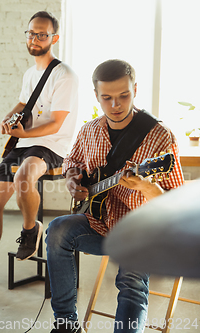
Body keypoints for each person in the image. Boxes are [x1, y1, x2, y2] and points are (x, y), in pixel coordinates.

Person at [46, 59, 184, 333]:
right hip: (99, 225)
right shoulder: (89, 131)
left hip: (140, 231)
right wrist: (73, 179)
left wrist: (144, 186)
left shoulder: (159, 136)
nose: (115, 105)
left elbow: (176, 206)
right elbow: (72, 161)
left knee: (131, 275)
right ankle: (65, 324)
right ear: (96, 95)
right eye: (106, 98)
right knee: (57, 230)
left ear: (135, 89)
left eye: (124, 96)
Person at [0, 11, 78, 284]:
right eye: (31, 33)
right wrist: (8, 118)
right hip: (25, 142)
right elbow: (23, 103)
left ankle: (31, 230)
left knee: (23, 178)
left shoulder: (64, 75)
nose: (35, 38)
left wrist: (27, 132)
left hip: (50, 145)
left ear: (53, 38)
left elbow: (56, 123)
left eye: (42, 34)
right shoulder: (31, 73)